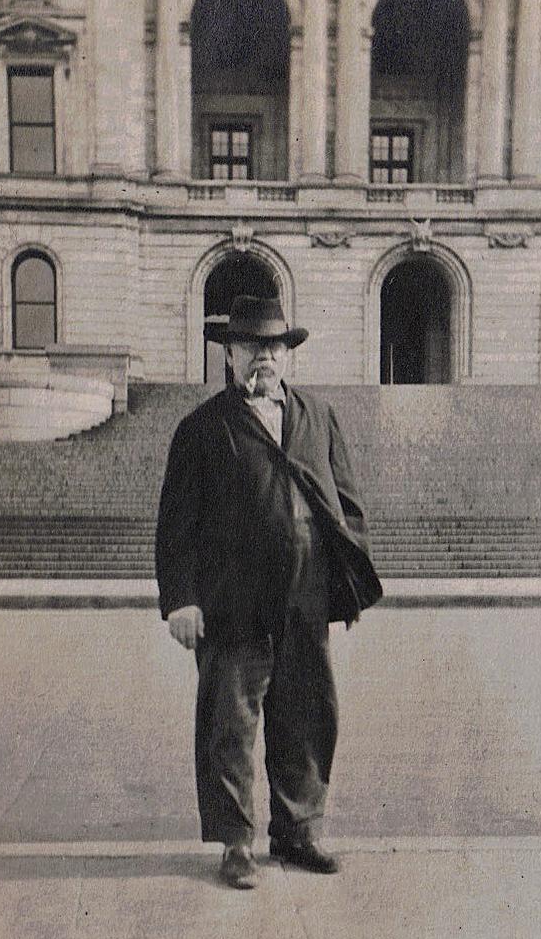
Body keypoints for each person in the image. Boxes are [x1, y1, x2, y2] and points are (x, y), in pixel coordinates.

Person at [155, 295, 382, 890]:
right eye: (250, 348)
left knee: (308, 713)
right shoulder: (201, 429)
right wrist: (182, 599)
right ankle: (236, 843)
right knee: (229, 721)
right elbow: (176, 523)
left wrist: (347, 585)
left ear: (288, 356)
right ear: (229, 356)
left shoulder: (319, 416)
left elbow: (347, 506)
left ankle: (299, 830)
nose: (263, 358)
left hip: (306, 597)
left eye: (273, 348)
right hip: (234, 603)